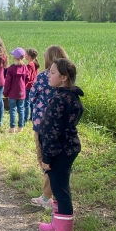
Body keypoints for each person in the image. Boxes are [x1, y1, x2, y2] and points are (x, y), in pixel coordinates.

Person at [38, 58, 83, 231]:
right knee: (57, 188)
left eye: (53, 72)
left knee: (61, 190)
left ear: (64, 77)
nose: (49, 75)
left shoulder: (58, 100)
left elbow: (51, 132)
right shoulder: (72, 97)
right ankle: (57, 224)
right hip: (68, 148)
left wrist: (47, 157)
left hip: (59, 151)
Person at [30, 45, 69, 208]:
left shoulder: (43, 77)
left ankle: (47, 196)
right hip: (61, 126)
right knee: (52, 159)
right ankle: (52, 189)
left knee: (44, 159)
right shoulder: (67, 79)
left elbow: (32, 96)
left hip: (41, 124)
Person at [4, 48, 30, 133]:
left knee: (12, 110)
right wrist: (23, 86)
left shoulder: (11, 69)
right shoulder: (25, 68)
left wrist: (6, 92)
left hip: (12, 93)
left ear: (14, 57)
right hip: (22, 93)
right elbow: (28, 79)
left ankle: (12, 128)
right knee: (21, 109)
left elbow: (7, 82)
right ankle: (20, 127)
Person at [24, 48, 39, 122]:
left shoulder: (29, 65)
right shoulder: (35, 63)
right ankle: (32, 116)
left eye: (26, 54)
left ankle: (26, 118)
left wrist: (24, 85)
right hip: (34, 85)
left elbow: (28, 77)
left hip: (29, 86)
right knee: (32, 102)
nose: (24, 55)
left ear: (29, 56)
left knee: (27, 102)